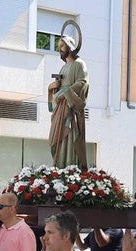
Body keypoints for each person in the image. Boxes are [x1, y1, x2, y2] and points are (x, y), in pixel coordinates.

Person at [48, 35, 89, 168]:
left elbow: (83, 83)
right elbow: (57, 91)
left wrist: (65, 92)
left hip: (71, 109)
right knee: (56, 140)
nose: (60, 49)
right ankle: (59, 166)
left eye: (62, 46)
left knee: (69, 136)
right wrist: (52, 88)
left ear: (70, 47)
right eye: (59, 47)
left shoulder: (79, 64)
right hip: (60, 108)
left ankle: (69, 167)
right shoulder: (63, 67)